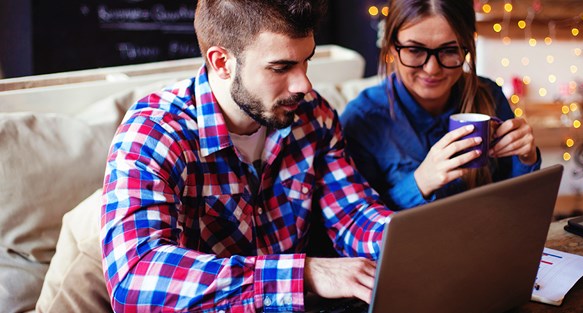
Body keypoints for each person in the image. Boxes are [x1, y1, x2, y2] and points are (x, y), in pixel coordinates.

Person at [100, 1, 393, 312]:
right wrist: (303, 274)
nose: (304, 84)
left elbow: (352, 213)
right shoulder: (154, 133)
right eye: (281, 67)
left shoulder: (312, 115)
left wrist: (410, 246)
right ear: (222, 62)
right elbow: (133, 279)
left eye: (306, 60)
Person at [340, 0, 541, 211]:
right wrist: (420, 183)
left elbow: (520, 207)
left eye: (450, 50)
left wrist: (526, 159)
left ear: (467, 47)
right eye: (415, 50)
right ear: (391, 46)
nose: (432, 69)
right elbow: (356, 222)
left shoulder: (488, 94)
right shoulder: (362, 119)